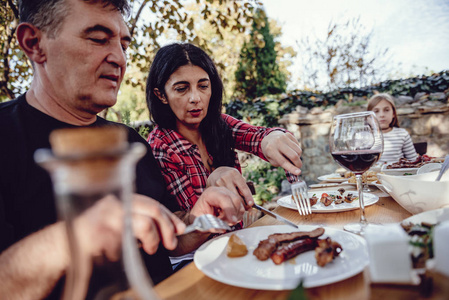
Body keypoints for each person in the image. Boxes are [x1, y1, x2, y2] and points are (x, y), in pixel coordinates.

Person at [0, 1, 245, 299]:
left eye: (123, 44)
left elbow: (170, 241)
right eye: (98, 39)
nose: (119, 58)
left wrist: (200, 220)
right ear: (34, 43)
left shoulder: (129, 142)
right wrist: (73, 239)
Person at [146, 43, 303, 268]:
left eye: (203, 86)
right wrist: (213, 191)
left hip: (240, 248)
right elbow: (187, 229)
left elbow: (257, 137)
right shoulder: (161, 146)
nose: (195, 98)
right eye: (182, 88)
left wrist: (273, 138)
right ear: (161, 95)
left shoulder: (218, 124)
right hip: (196, 262)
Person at [367, 93, 419, 163]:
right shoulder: (365, 137)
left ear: (393, 113)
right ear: (368, 116)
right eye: (376, 111)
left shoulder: (402, 134)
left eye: (386, 110)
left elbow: (413, 160)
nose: (382, 115)